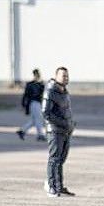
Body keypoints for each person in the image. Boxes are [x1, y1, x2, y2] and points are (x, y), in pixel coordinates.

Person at [42, 67, 75, 197]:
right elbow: (46, 113)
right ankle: (51, 186)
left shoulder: (64, 91)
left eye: (67, 76)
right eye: (63, 76)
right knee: (54, 159)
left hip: (65, 131)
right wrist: (63, 123)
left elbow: (66, 111)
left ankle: (59, 186)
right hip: (55, 131)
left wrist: (70, 125)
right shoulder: (50, 90)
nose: (65, 78)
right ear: (56, 76)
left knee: (61, 159)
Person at [16, 68, 46, 141]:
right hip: (34, 103)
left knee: (34, 120)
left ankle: (22, 131)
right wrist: (24, 104)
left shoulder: (40, 84)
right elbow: (26, 95)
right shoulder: (33, 84)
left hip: (36, 103)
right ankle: (40, 135)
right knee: (39, 119)